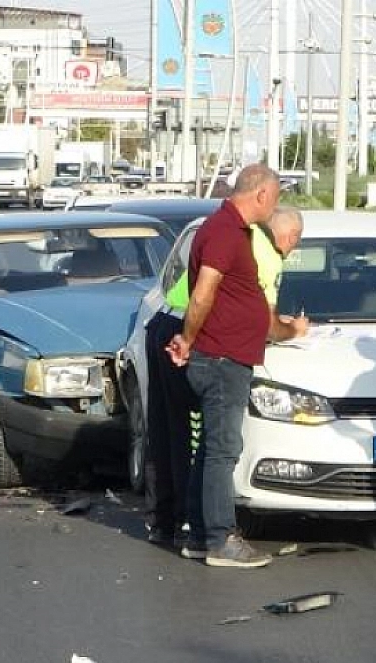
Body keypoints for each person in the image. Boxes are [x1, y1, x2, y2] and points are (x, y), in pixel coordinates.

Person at [144, 206, 307, 553]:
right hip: (192, 330)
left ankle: (167, 523)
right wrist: (294, 330)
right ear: (291, 238)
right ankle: (203, 529)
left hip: (166, 321)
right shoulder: (265, 253)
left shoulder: (243, 236)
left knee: (172, 432)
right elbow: (262, 319)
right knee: (214, 442)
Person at [165, 164, 285, 568]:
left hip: (224, 354)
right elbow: (202, 294)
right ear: (262, 194)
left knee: (212, 450)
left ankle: (200, 534)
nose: (276, 206)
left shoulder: (233, 231)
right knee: (222, 450)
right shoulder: (222, 232)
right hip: (220, 359)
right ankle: (220, 539)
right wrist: (189, 338)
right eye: (277, 197)